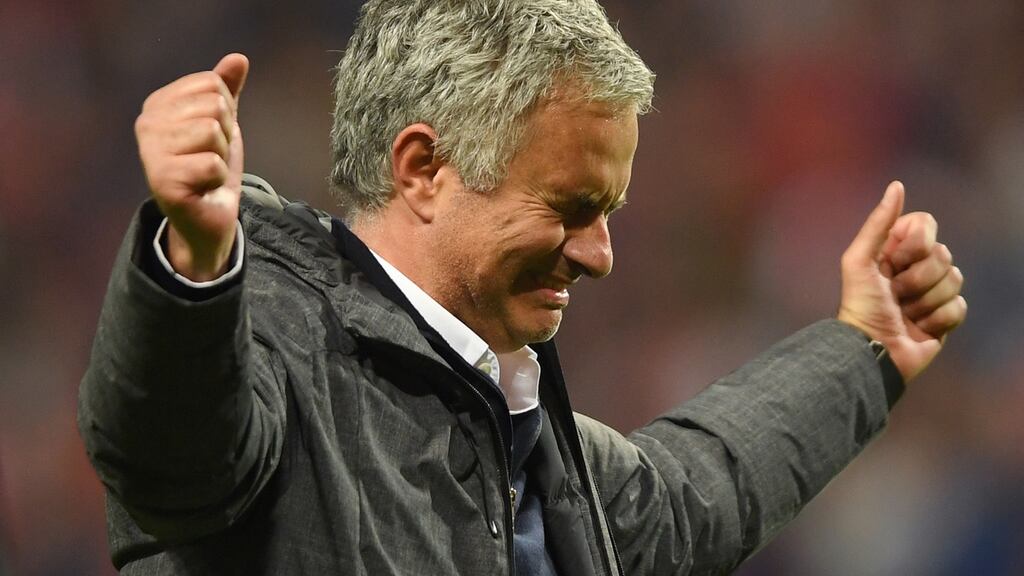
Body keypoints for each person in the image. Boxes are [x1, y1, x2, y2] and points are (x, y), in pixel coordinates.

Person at [78, 1, 966, 574]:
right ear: (424, 169)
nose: (601, 255)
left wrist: (865, 346)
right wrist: (192, 269)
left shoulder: (525, 440)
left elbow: (696, 491)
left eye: (608, 212)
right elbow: (166, 451)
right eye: (572, 207)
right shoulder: (274, 358)